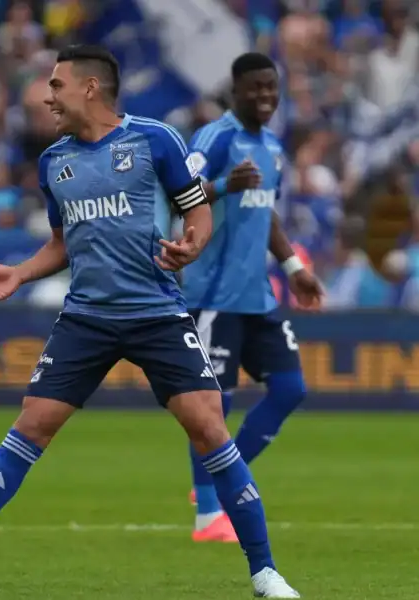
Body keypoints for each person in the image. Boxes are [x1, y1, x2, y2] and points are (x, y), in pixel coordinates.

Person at [0, 45, 300, 598]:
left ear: (90, 88)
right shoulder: (54, 162)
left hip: (157, 312)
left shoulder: (156, 140)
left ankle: (264, 571)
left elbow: (196, 207)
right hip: (87, 317)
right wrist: (19, 273)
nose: (48, 97)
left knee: (210, 429)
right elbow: (61, 242)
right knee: (31, 426)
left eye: (56, 85)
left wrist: (194, 244)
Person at [181, 52, 324, 543]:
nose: (265, 96)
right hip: (213, 296)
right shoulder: (215, 138)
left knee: (290, 388)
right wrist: (224, 184)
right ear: (236, 90)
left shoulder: (272, 147)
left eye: (271, 88)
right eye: (255, 87)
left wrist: (294, 268)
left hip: (257, 295)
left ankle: (222, 479)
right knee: (211, 405)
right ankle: (208, 517)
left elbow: (267, 213)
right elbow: (180, 193)